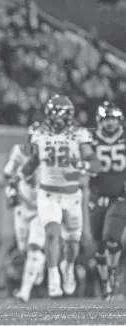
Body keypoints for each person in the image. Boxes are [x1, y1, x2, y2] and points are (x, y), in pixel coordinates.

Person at [13, 95, 102, 298]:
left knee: (72, 244)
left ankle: (67, 267)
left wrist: (84, 165)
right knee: (52, 233)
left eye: (62, 114)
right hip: (48, 193)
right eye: (55, 113)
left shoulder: (79, 134)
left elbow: (95, 162)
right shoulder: (39, 132)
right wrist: (21, 173)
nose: (59, 118)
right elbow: (35, 160)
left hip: (71, 195)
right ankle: (54, 279)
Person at [89, 101, 126, 300]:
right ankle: (105, 283)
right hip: (96, 196)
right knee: (98, 248)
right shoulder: (89, 139)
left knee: (112, 238)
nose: (110, 123)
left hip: (119, 196)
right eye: (106, 119)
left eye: (113, 119)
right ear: (99, 121)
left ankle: (112, 273)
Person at [3, 136, 45, 303]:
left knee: (34, 247)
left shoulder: (51, 156)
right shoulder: (19, 152)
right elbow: (8, 175)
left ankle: (24, 292)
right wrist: (11, 193)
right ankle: (39, 262)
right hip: (23, 205)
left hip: (42, 207)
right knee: (23, 249)